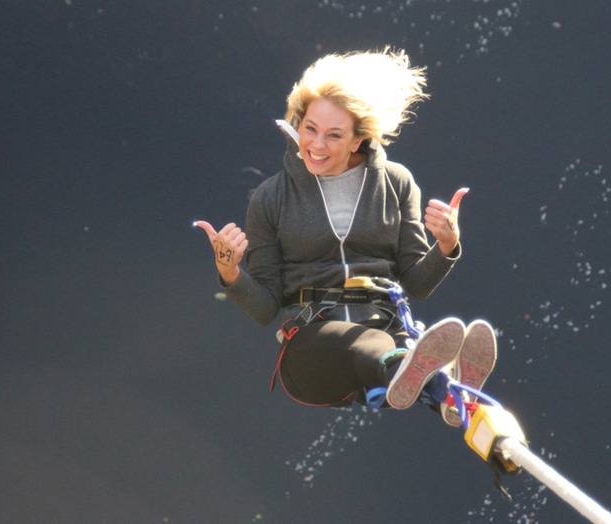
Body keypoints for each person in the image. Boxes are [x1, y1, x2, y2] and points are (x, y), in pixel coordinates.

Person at [196, 48, 495, 426]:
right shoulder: (270, 199)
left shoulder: (397, 183)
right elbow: (266, 307)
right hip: (313, 352)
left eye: (334, 135)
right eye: (310, 129)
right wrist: (231, 273)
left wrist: (447, 245)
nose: (317, 145)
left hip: (386, 329)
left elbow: (417, 283)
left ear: (357, 140)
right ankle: (424, 380)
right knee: (379, 347)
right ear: (298, 124)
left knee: (394, 346)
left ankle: (451, 400)